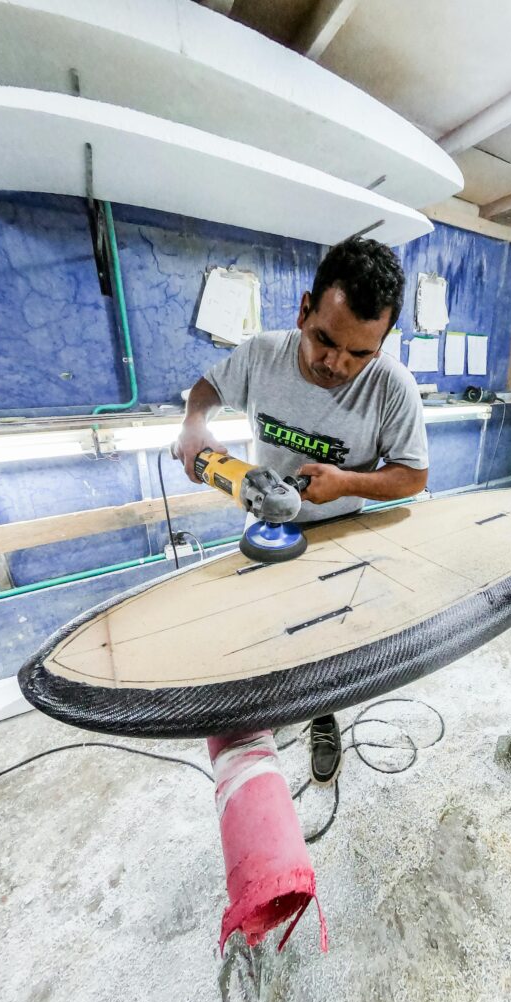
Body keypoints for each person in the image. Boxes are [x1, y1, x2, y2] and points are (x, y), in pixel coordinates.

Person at [173, 237, 429, 785]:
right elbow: (206, 389)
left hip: (341, 539)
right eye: (324, 340)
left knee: (327, 646)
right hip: (266, 530)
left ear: (382, 343)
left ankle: (322, 717)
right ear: (304, 309)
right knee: (265, 631)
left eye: (360, 353)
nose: (337, 364)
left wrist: (347, 483)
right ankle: (256, 725)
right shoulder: (263, 353)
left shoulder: (393, 387)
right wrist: (195, 424)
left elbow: (413, 475)